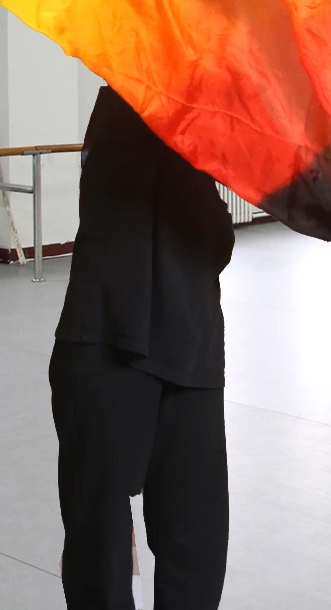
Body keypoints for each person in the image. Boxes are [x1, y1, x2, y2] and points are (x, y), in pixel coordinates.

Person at [50, 84, 235, 609]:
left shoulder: (164, 112)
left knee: (183, 540)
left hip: (183, 347)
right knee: (106, 543)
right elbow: (214, 234)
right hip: (113, 343)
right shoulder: (138, 106)